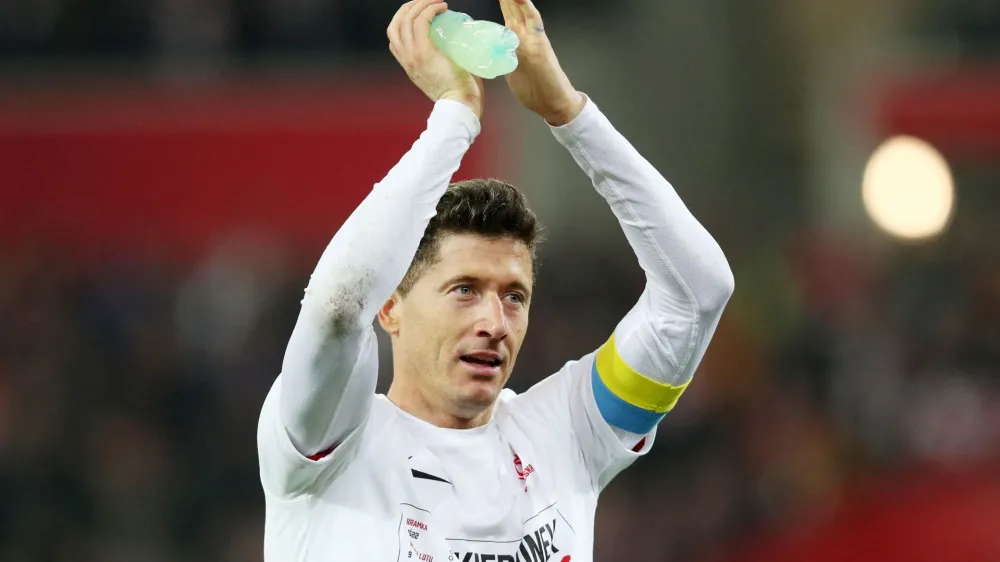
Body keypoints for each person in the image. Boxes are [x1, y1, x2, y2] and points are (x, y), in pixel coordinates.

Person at [256, 0, 734, 559]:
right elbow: (339, 305)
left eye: (514, 296)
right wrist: (455, 117)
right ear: (390, 307)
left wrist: (570, 116)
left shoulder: (568, 435)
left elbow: (698, 295)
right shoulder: (330, 440)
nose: (494, 322)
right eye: (465, 290)